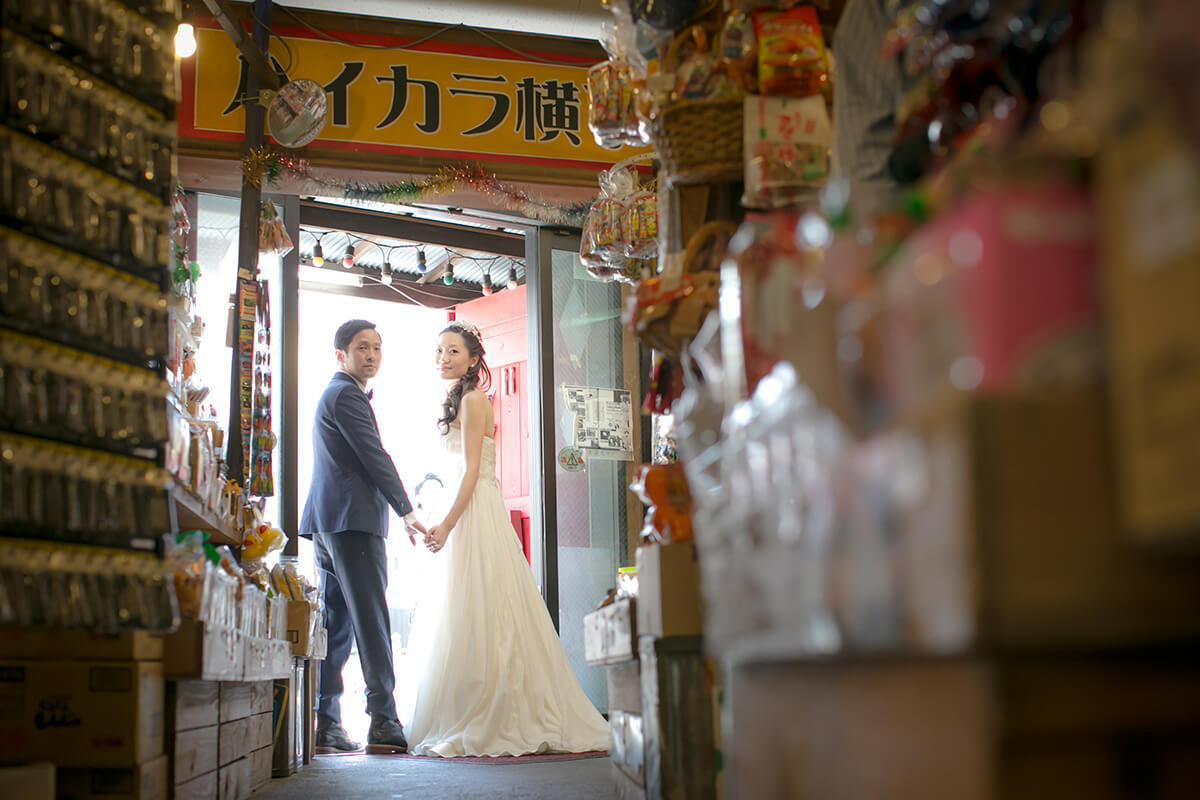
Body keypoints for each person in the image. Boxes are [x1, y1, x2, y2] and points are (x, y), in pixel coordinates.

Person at [403, 320, 610, 757]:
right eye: (439, 350)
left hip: (476, 507)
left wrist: (448, 524)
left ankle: (497, 704)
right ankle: (464, 703)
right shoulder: (455, 400)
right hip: (464, 505)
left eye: (453, 351)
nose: (444, 357)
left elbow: (474, 471)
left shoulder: (476, 400)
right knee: (466, 605)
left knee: (487, 602)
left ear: (475, 359)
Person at [300, 319, 427, 755]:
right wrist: (407, 511)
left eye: (376, 348)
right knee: (371, 622)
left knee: (336, 626)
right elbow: (375, 456)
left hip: (328, 523)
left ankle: (326, 722)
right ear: (341, 355)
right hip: (352, 522)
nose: (371, 355)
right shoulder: (346, 395)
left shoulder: (336, 394)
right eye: (362, 348)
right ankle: (383, 721)